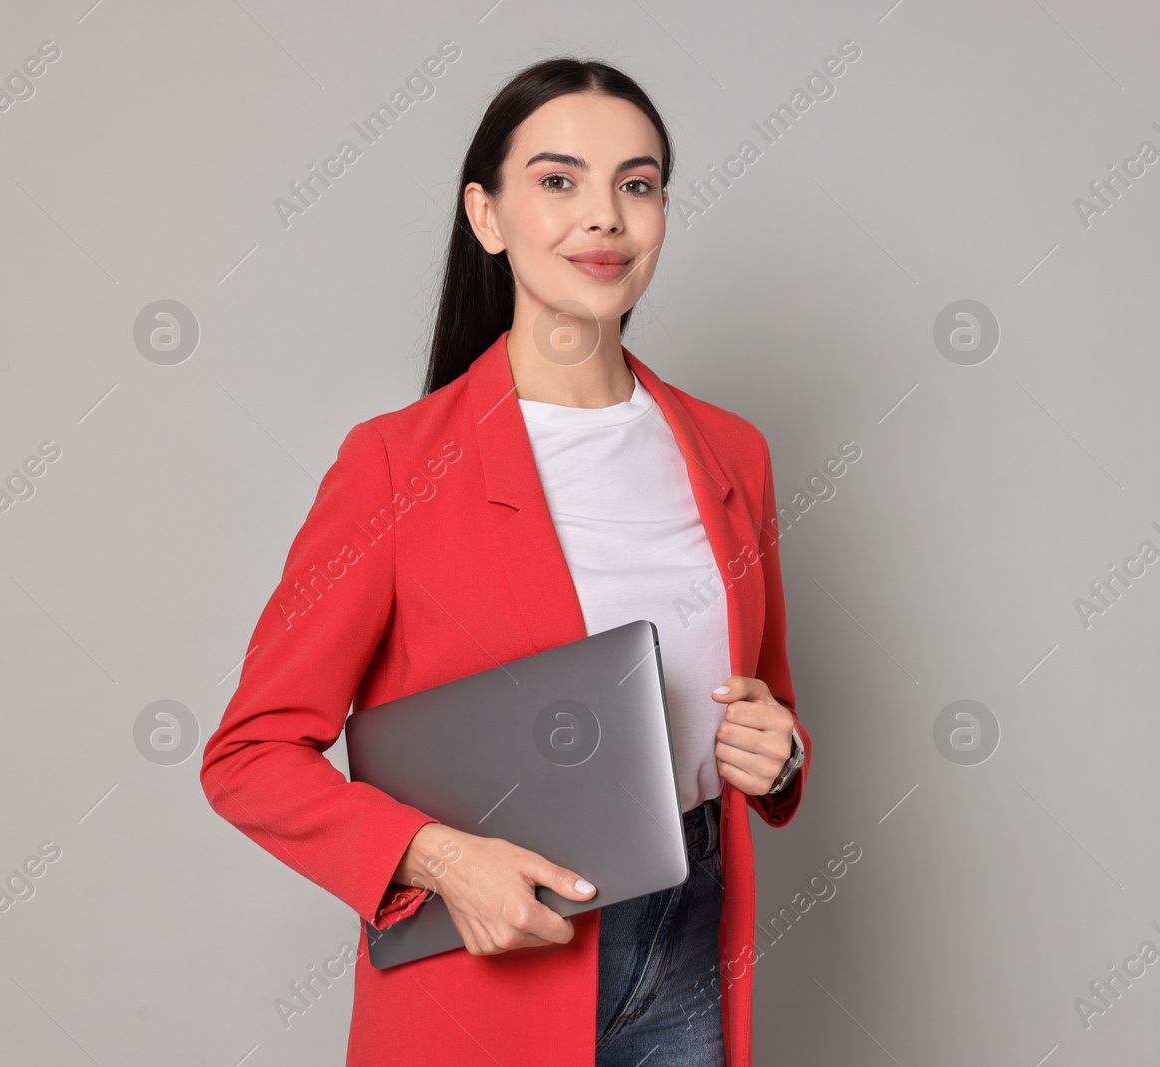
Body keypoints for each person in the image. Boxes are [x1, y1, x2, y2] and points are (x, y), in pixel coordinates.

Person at [199, 56, 809, 1067]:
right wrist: (436, 859)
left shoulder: (730, 450)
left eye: (639, 183)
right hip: (493, 967)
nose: (604, 216)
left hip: (689, 933)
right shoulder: (394, 464)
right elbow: (249, 754)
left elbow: (769, 710)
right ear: (485, 215)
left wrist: (780, 753)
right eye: (559, 180)